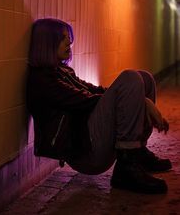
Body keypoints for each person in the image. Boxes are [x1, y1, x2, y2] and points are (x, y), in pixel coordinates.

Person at [26, 18, 172, 194]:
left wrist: (136, 98)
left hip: (91, 138)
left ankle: (136, 153)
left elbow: (95, 90)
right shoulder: (41, 81)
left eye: (68, 38)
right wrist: (143, 102)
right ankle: (126, 169)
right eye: (63, 38)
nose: (69, 42)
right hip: (85, 152)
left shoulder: (62, 71)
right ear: (47, 44)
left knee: (144, 78)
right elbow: (86, 101)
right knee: (130, 78)